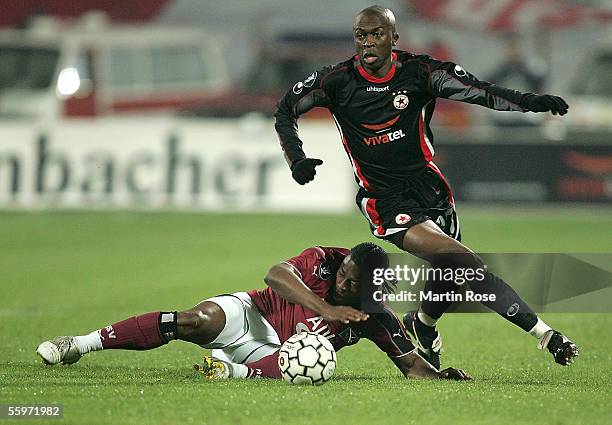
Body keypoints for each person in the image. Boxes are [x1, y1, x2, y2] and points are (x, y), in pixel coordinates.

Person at [274, 5, 578, 369]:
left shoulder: (420, 73)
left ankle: (422, 324)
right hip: (385, 200)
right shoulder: (336, 81)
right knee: (464, 261)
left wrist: (529, 102)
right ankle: (547, 336)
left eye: (377, 34)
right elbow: (286, 110)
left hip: (430, 189)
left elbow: (478, 91)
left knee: (448, 274)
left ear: (393, 38)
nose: (368, 42)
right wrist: (297, 157)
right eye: (361, 35)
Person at [36, 242, 471, 381]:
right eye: (344, 275)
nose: (344, 283)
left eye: (353, 285)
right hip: (251, 312)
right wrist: (326, 307)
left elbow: (410, 365)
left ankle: (233, 371)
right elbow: (274, 275)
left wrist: (440, 377)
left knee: (307, 356)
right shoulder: (323, 259)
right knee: (190, 321)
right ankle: (79, 343)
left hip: (274, 356)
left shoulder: (377, 315)